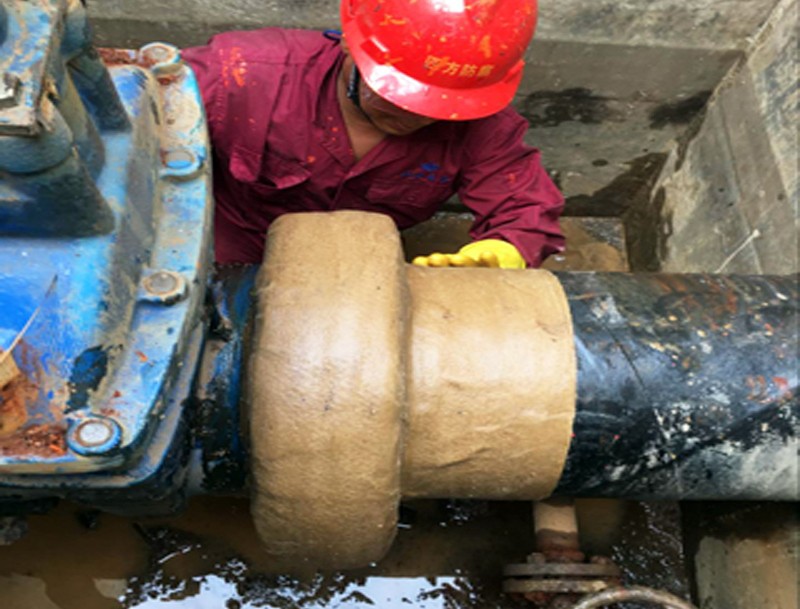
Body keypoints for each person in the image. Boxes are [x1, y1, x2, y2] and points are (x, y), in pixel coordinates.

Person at [182, 0, 564, 269]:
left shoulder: (483, 127)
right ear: (350, 41)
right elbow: (149, 117)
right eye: (398, 93)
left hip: (362, 268)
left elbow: (526, 209)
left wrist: (506, 249)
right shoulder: (239, 75)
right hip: (222, 250)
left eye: (440, 104)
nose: (416, 113)